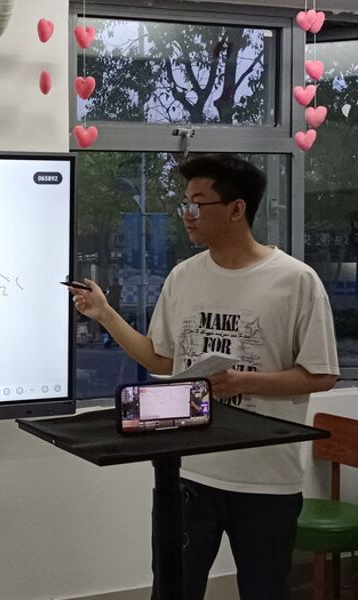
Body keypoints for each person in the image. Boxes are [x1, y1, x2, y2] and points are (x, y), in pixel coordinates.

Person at [69, 154, 339, 600]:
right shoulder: (184, 277)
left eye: (198, 204)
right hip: (186, 469)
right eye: (185, 204)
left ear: (237, 209)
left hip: (265, 476)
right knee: (173, 589)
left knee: (265, 590)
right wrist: (105, 314)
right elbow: (161, 360)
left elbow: (321, 374)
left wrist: (244, 382)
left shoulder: (296, 280)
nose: (187, 215)